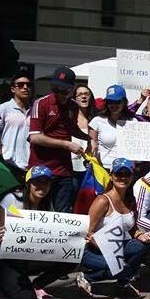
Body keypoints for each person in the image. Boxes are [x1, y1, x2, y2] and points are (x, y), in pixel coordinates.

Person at [0, 166, 77, 299]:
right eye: (37, 182)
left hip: (28, 255)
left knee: (72, 255)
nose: (42, 186)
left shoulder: (48, 204)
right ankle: (4, 286)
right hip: (4, 259)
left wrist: (76, 237)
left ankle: (36, 284)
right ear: (28, 183)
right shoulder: (12, 200)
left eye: (46, 182)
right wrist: (0, 235)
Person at [77, 158, 148, 297]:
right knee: (118, 266)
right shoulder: (103, 201)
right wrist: (109, 252)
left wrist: (140, 235)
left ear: (132, 176)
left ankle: (122, 282)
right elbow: (87, 233)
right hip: (93, 249)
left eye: (127, 174)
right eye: (118, 174)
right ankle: (87, 276)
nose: (122, 178)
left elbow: (131, 228)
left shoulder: (130, 200)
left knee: (141, 247)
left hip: (117, 246)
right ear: (111, 175)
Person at [28, 67, 90, 212]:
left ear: (71, 89)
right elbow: (35, 137)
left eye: (65, 90)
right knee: (37, 210)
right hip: (41, 167)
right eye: (57, 89)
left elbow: (71, 128)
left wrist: (89, 138)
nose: (60, 93)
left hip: (63, 170)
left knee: (63, 211)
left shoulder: (74, 106)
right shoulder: (41, 103)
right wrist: (66, 144)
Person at [88, 85, 137, 169]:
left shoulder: (133, 122)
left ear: (124, 102)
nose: (113, 105)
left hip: (125, 170)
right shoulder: (97, 121)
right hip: (103, 168)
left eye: (117, 102)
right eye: (110, 102)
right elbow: (92, 145)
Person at [0, 72, 33, 181]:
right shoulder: (3, 108)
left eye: (28, 85)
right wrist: (1, 159)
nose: (25, 87)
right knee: (7, 198)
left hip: (30, 167)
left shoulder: (35, 111)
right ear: (13, 89)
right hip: (8, 165)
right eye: (20, 85)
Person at [70, 84, 96, 187]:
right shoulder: (69, 117)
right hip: (72, 168)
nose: (83, 96)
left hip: (91, 168)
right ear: (74, 99)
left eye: (86, 94)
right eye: (80, 94)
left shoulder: (96, 118)